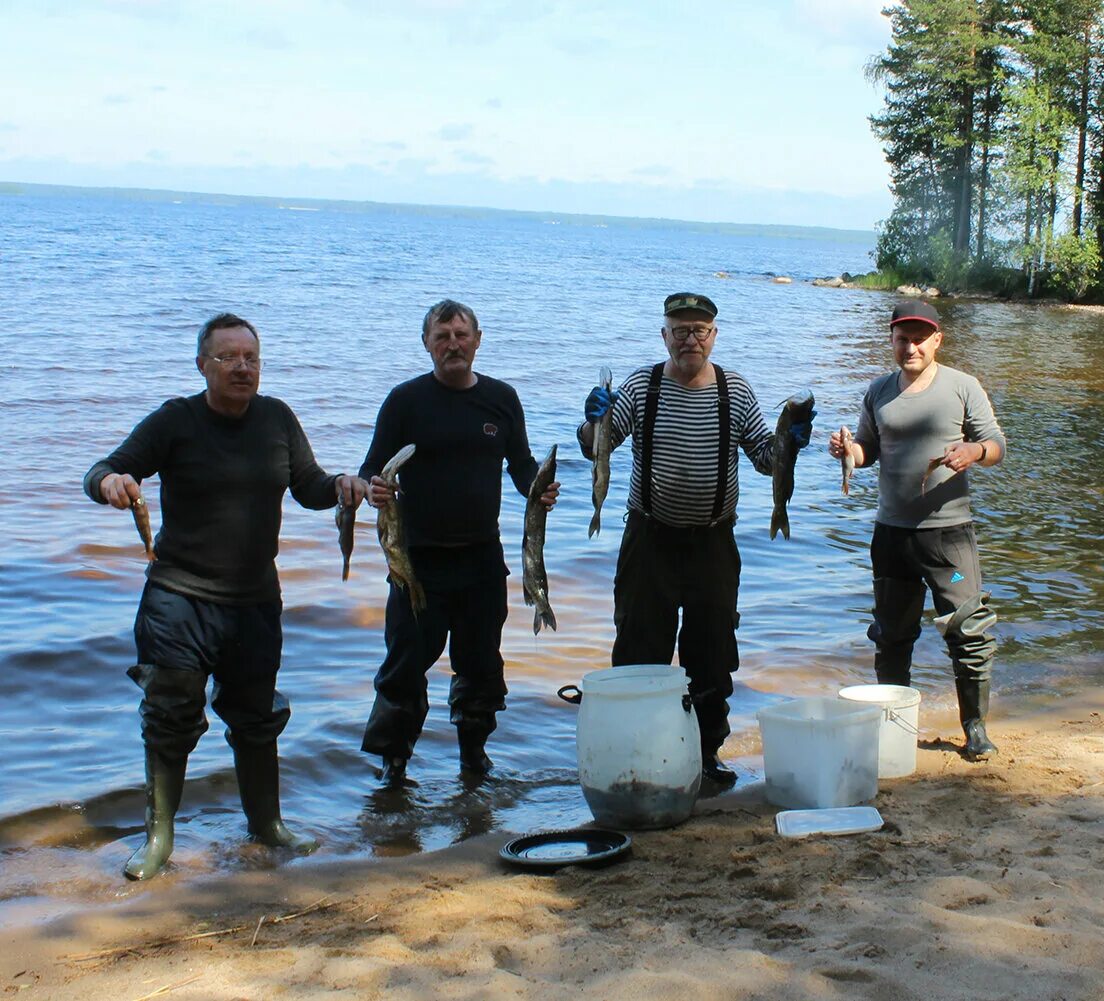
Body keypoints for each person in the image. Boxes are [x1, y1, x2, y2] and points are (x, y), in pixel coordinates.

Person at [84, 312, 367, 880]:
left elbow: (308, 485)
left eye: (251, 358)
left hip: (254, 601)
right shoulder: (176, 420)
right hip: (178, 598)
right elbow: (106, 468)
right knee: (170, 713)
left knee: (257, 717)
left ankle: (267, 827)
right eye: (228, 357)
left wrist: (340, 484)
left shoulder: (277, 418)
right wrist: (110, 484)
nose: (242, 367)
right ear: (202, 365)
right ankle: (159, 838)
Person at [577, 292, 811, 787]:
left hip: (713, 545)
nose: (690, 339)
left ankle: (704, 757)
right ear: (664, 335)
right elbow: (596, 446)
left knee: (712, 653)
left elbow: (767, 461)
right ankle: (639, 757)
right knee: (640, 652)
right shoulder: (643, 386)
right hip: (649, 542)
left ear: (714, 336)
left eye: (699, 330)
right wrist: (592, 417)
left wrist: (791, 441)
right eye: (680, 330)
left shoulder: (735, 391)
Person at [359, 299, 559, 784]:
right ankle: (395, 763)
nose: (453, 343)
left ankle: (474, 757)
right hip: (416, 562)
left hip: (481, 561)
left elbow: (521, 465)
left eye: (461, 334)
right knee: (404, 668)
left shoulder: (501, 398)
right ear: (426, 344)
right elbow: (371, 470)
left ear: (477, 340)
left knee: (481, 666)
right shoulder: (405, 401)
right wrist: (374, 489)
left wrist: (540, 487)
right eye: (442, 336)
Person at [828, 300, 1005, 760]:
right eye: (902, 338)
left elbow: (997, 444)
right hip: (892, 538)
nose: (911, 347)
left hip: (950, 540)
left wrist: (974, 452)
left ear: (937, 340)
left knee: (969, 628)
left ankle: (975, 728)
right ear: (891, 340)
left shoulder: (963, 386)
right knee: (891, 634)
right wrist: (847, 451)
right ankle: (894, 728)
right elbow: (867, 450)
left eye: (919, 338)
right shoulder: (879, 391)